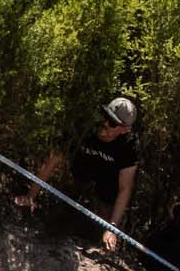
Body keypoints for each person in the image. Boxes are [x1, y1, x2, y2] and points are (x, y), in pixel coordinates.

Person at [18, 97, 141, 251]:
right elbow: (52, 161)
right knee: (56, 220)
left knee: (98, 237)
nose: (105, 124)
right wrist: (31, 195)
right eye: (105, 117)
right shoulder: (84, 126)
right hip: (77, 178)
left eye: (112, 123)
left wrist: (112, 228)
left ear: (125, 129)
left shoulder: (129, 146)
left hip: (105, 191)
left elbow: (125, 188)